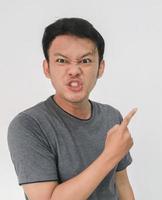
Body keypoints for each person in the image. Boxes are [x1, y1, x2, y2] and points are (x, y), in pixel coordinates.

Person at [7, 17, 137, 200]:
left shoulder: (111, 116)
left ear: (100, 68)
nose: (74, 70)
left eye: (85, 61)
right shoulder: (28, 125)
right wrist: (110, 155)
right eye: (61, 60)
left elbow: (123, 186)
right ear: (47, 68)